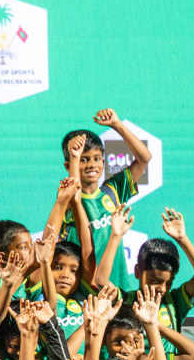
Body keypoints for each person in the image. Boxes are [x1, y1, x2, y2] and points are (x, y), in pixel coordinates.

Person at [60, 111, 151, 295]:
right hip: (84, 293)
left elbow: (144, 158)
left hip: (117, 287)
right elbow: (74, 191)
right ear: (69, 166)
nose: (92, 165)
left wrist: (117, 125)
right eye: (83, 160)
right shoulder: (68, 198)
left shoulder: (112, 191)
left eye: (96, 159)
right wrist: (74, 154)